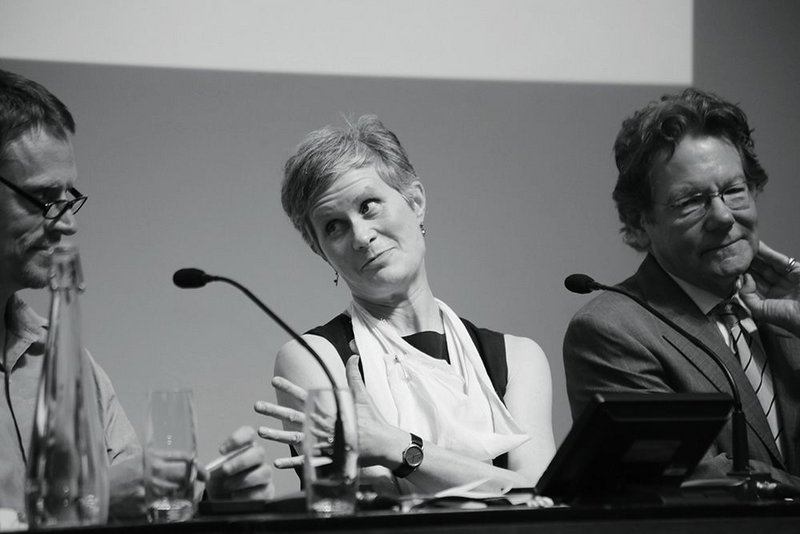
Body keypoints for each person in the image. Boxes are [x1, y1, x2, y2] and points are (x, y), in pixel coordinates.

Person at [0, 68, 273, 521]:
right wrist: (93, 501)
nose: (66, 222)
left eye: (69, 198)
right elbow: (105, 499)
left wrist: (207, 503)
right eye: (43, 197)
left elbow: (131, 500)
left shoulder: (67, 361)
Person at [255, 115, 555, 495]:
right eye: (334, 226)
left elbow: (542, 498)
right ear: (321, 252)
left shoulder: (520, 358)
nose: (361, 236)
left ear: (415, 201)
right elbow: (371, 504)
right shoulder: (312, 358)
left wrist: (396, 447)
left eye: (368, 206)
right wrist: (506, 485)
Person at [563, 87, 800, 487]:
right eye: (691, 200)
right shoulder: (613, 329)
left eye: (733, 190)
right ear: (640, 223)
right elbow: (696, 482)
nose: (724, 216)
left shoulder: (787, 310)